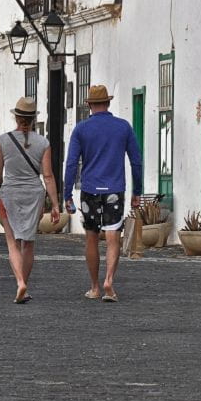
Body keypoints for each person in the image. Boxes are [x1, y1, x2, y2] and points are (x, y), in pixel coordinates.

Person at [64, 85, 143, 303]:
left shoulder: (81, 129)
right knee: (112, 238)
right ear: (108, 103)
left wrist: (67, 194)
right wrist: (137, 191)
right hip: (114, 189)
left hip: (90, 189)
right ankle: (109, 281)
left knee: (91, 237)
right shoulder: (123, 127)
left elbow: (71, 163)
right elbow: (136, 161)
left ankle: (95, 287)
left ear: (89, 104)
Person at [0, 97, 60, 304]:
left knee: (12, 242)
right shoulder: (43, 143)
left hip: (10, 193)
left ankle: (20, 282)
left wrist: (0, 190)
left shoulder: (3, 141)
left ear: (17, 117)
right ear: (33, 119)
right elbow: (48, 176)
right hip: (34, 194)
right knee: (28, 243)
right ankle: (25, 285)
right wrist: (55, 204)